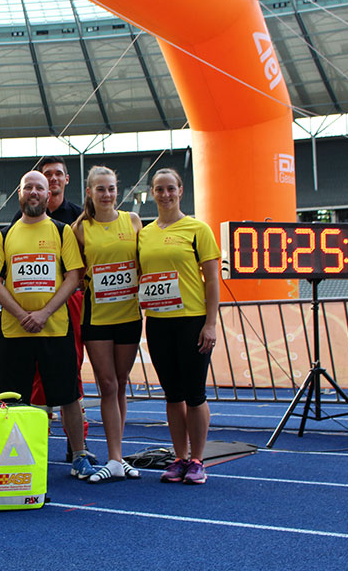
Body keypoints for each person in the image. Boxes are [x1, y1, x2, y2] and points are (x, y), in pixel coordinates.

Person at [0, 170, 96, 479]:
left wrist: (45, 313)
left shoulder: (62, 232)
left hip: (55, 329)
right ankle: (12, 457)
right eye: (28, 187)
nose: (33, 192)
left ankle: (80, 455)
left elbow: (74, 276)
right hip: (14, 332)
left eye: (39, 188)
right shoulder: (4, 235)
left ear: (49, 195)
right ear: (19, 194)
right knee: (11, 399)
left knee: (68, 396)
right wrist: (21, 315)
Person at [137, 168, 220, 485]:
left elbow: (212, 279)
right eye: (159, 189)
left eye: (170, 188)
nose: (165, 194)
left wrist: (210, 323)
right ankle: (179, 457)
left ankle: (198, 460)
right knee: (172, 395)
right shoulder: (144, 233)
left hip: (192, 321)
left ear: (181, 191)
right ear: (153, 193)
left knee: (195, 394)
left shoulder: (198, 229)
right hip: (158, 323)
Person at [12, 157, 89, 461]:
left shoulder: (78, 219)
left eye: (57, 175)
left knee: (71, 377)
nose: (52, 180)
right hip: (26, 313)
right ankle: (32, 448)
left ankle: (77, 446)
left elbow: (78, 271)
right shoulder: (15, 226)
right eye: (46, 175)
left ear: (65, 180)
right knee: (31, 381)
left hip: (67, 306)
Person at [71, 166, 143, 483]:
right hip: (96, 317)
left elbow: (146, 263)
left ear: (117, 190)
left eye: (111, 188)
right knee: (108, 384)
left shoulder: (134, 221)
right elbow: (75, 272)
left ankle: (118, 455)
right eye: (100, 189)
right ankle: (114, 457)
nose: (107, 194)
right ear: (90, 192)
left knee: (122, 382)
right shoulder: (80, 229)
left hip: (129, 315)